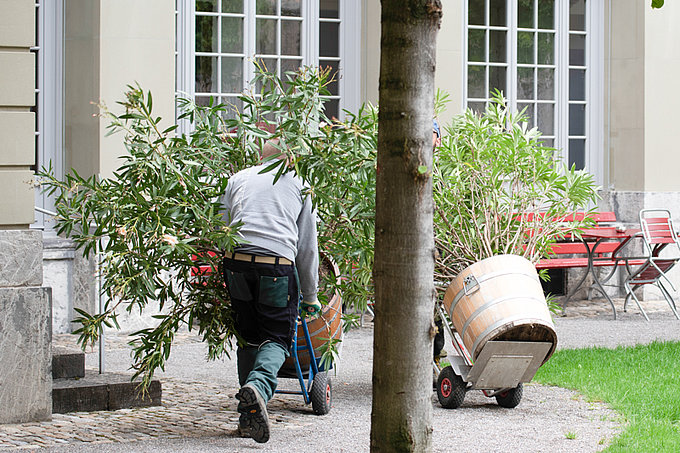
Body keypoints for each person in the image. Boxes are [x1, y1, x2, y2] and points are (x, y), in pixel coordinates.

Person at [221, 139, 320, 443]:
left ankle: (246, 420)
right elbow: (306, 248)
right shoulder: (300, 185)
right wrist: (311, 295)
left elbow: (221, 228)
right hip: (275, 264)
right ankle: (259, 388)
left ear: (259, 158)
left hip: (235, 262)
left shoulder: (237, 179)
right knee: (277, 336)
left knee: (248, 337)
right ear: (290, 160)